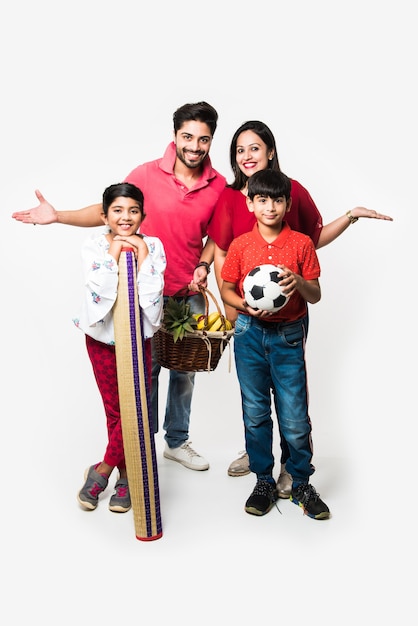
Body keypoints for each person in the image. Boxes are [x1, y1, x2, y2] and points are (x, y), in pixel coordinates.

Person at [12, 101, 226, 472]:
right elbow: (110, 207)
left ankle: (176, 441)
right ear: (174, 136)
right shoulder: (145, 173)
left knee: (184, 373)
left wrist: (204, 265)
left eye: (203, 139)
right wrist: (59, 215)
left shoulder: (218, 184)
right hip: (142, 296)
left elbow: (217, 235)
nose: (195, 146)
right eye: (187, 136)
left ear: (211, 141)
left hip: (187, 292)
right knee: (146, 374)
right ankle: (139, 444)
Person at [207, 120, 393, 491]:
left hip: (289, 320)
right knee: (255, 403)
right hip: (247, 316)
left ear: (270, 151)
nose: (247, 156)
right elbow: (221, 250)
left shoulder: (292, 191)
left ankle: (294, 466)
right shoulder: (230, 198)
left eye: (255, 148)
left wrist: (351, 216)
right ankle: (258, 459)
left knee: (291, 405)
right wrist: (234, 311)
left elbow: (312, 239)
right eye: (240, 150)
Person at [221, 168, 330, 519]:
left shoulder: (301, 244)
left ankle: (300, 482)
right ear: (250, 203)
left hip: (288, 336)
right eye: (262, 199)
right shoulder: (241, 245)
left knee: (295, 416)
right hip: (249, 334)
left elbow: (315, 295)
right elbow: (226, 289)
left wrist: (298, 281)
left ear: (287, 204)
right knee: (255, 413)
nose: (270, 207)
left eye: (278, 200)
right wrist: (242, 305)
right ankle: (264, 480)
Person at [75, 182, 166, 512]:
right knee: (116, 410)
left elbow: (153, 303)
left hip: (137, 342)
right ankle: (126, 472)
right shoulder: (94, 246)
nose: (126, 217)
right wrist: (114, 256)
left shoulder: (153, 246)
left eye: (133, 210)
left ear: (143, 214)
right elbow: (98, 295)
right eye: (117, 210)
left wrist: (142, 257)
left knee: (136, 407)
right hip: (101, 340)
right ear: (104, 215)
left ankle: (104, 469)